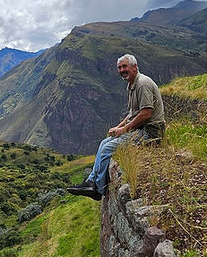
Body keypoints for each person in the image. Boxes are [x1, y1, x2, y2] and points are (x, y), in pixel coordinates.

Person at [67, 54, 165, 201]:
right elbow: (133, 113)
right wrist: (118, 127)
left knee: (107, 149)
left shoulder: (143, 84)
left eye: (125, 66)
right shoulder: (132, 85)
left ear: (134, 67)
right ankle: (90, 181)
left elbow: (146, 114)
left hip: (150, 133)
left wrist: (124, 130)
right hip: (141, 129)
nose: (121, 70)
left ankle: (97, 189)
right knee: (104, 143)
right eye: (119, 67)